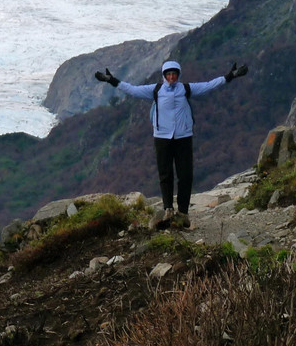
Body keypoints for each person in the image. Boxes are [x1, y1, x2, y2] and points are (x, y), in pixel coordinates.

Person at [94, 59, 247, 227]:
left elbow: (209, 85)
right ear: (164, 75)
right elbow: (132, 90)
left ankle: (183, 212)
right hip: (162, 137)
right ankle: (168, 209)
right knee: (165, 175)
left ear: (178, 74)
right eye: (169, 74)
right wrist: (111, 80)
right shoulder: (156, 90)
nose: (172, 77)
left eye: (174, 74)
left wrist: (230, 76)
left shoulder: (186, 89)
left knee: (186, 175)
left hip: (183, 137)